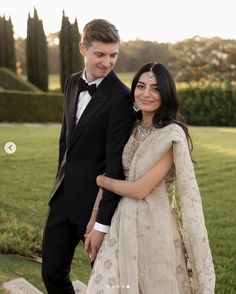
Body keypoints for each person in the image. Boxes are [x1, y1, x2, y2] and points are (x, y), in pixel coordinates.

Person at [85, 62, 215, 293]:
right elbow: (113, 171)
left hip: (153, 225)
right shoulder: (130, 128)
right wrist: (96, 221)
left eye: (155, 89)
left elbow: (139, 190)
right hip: (119, 221)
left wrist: (102, 181)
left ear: (166, 94)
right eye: (141, 86)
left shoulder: (171, 136)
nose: (146, 94)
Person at [41, 19, 136, 294]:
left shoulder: (121, 98)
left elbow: (115, 164)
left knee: (104, 284)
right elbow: (66, 140)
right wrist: (58, 184)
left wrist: (102, 222)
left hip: (94, 207)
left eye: (113, 55)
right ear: (83, 48)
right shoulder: (72, 83)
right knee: (52, 273)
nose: (108, 62)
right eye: (100, 54)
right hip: (61, 199)